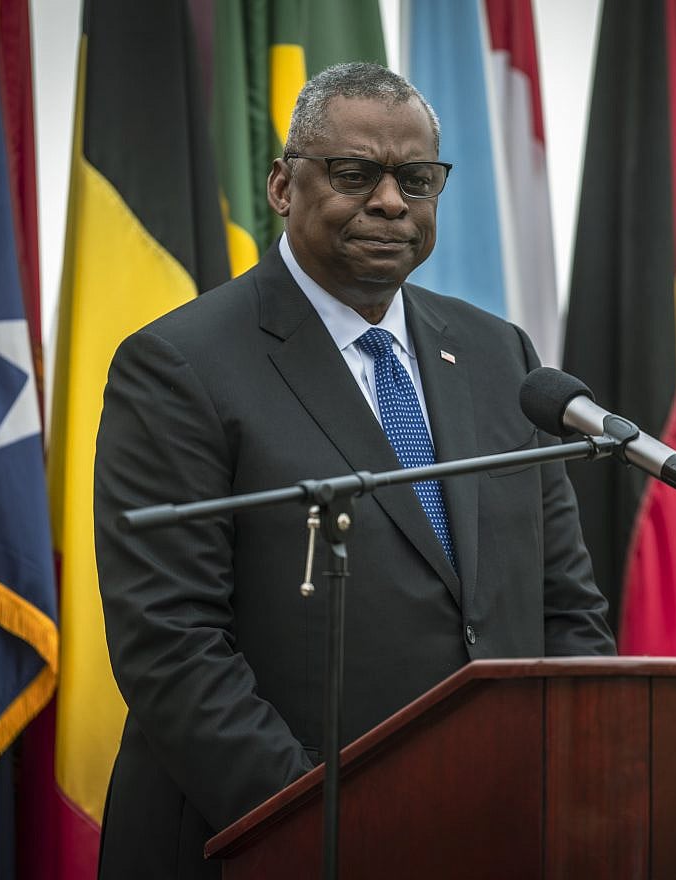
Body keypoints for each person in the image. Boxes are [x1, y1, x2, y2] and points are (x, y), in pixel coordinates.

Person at [92, 62, 615, 879]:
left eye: (416, 179)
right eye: (353, 173)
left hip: (492, 831)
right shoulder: (179, 367)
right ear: (280, 185)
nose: (389, 202)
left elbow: (566, 610)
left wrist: (574, 782)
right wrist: (326, 824)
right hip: (276, 840)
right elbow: (173, 647)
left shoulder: (497, 354)